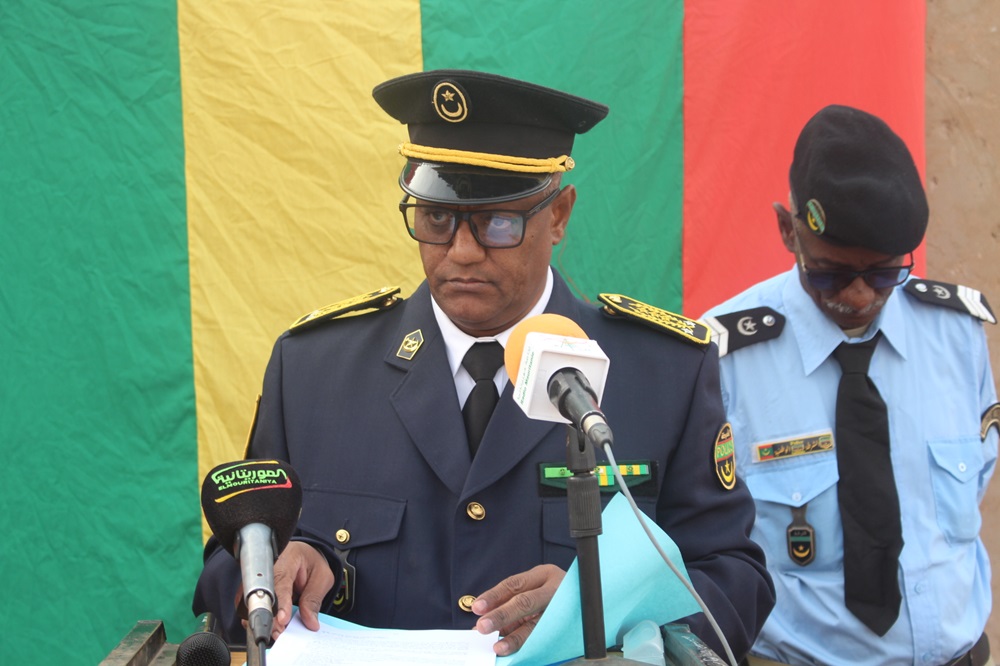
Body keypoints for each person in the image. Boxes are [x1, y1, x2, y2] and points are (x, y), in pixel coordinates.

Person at [193, 69, 774, 660]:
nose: (463, 252)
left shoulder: (663, 374)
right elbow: (228, 566)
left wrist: (597, 612)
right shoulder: (313, 372)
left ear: (559, 215)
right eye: (436, 219)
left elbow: (734, 582)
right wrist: (277, 573)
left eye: (497, 222)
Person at [702, 104, 998, 666]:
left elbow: (973, 483)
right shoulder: (722, 358)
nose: (859, 296)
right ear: (787, 231)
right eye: (831, 274)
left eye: (884, 274)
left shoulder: (957, 335)